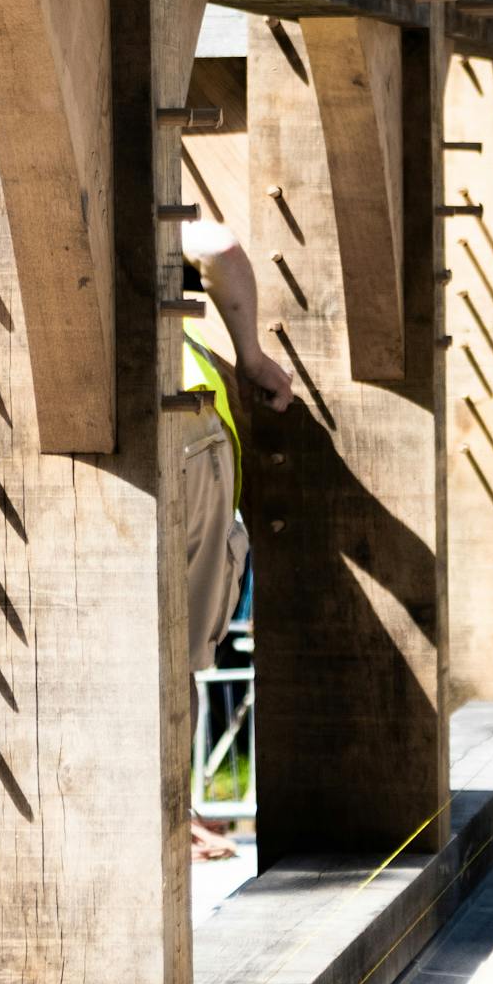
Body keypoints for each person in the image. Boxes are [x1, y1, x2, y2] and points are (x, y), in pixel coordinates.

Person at [177, 217, 296, 859]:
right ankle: (173, 816)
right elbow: (217, 244)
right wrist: (250, 356)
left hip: (144, 435)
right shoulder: (116, 177)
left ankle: (167, 819)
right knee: (175, 656)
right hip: (188, 424)